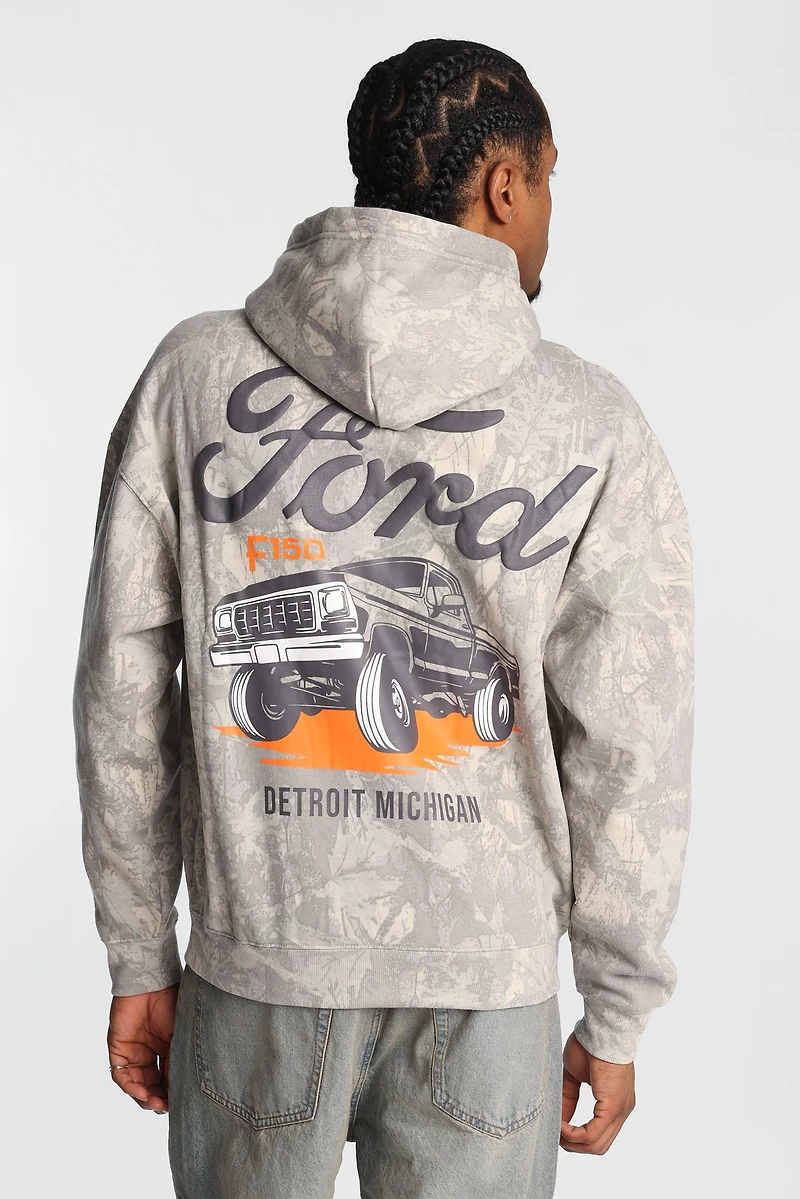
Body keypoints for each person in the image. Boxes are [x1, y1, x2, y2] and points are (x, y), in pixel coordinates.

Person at [73, 37, 694, 1199]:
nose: (546, 211)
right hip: (484, 987)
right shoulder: (585, 418)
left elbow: (120, 692)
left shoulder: (193, 377)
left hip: (257, 968)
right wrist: (615, 1005)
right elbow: (630, 742)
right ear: (503, 185)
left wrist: (138, 949)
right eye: (547, 179)